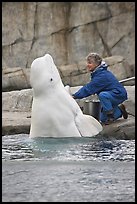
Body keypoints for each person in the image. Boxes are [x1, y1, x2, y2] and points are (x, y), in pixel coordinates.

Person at [72, 52, 128, 125]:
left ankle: (110, 116)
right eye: (87, 62)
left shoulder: (102, 75)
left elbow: (88, 89)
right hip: (112, 95)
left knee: (103, 95)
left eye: (90, 63)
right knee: (103, 119)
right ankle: (119, 110)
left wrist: (75, 96)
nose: (87, 65)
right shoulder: (97, 73)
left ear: (96, 64)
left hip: (118, 94)